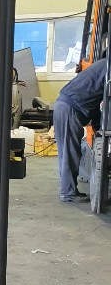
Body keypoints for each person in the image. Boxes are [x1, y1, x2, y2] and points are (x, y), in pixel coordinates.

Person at [53, 58, 107, 203]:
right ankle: (68, 193)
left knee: (67, 152)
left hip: (64, 106)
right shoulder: (108, 67)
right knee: (69, 152)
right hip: (70, 109)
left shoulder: (102, 65)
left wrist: (99, 129)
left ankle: (68, 190)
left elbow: (96, 100)